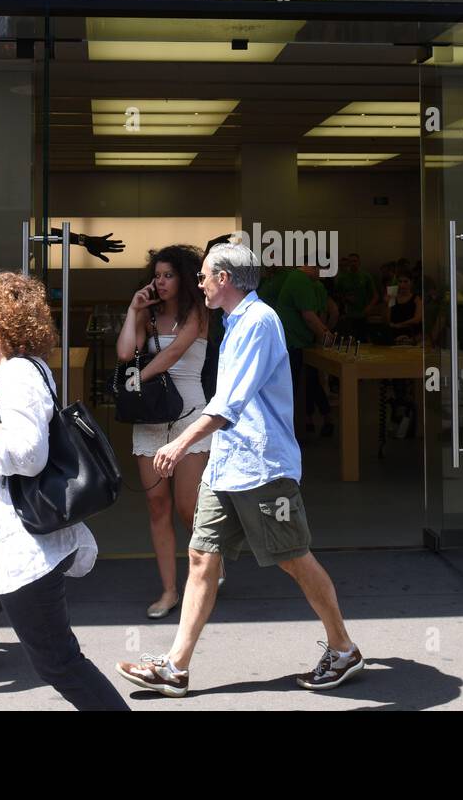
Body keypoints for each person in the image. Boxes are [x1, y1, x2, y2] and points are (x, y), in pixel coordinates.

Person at [115, 242, 364, 696]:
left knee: (293, 557)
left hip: (262, 467)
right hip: (229, 464)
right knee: (200, 555)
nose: (199, 282)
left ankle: (343, 647)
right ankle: (175, 666)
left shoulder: (259, 323)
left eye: (206, 275)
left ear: (225, 279)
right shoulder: (236, 322)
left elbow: (229, 405)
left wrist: (181, 442)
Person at [0, 271, 128, 710]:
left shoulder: (19, 375)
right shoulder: (6, 373)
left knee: (59, 663)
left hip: (17, 549)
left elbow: (27, 456)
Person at [115, 245, 212, 620]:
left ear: (183, 278)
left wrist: (138, 378)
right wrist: (133, 310)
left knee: (189, 507)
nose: (160, 281)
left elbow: (172, 356)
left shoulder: (198, 312)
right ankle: (170, 589)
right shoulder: (149, 315)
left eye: (168, 274)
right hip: (152, 418)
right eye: (157, 275)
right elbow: (126, 353)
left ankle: (208, 564)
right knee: (157, 506)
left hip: (190, 417)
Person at [268, 264, 334, 438]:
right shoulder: (300, 280)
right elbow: (310, 316)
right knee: (296, 387)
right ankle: (289, 431)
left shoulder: (305, 281)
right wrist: (325, 335)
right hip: (293, 344)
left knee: (308, 383)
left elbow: (323, 312)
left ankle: (307, 423)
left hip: (300, 343)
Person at [333, 253, 378, 340]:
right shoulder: (342, 278)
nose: (353, 263)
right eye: (350, 261)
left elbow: (375, 296)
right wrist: (346, 298)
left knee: (362, 340)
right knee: (349, 341)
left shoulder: (366, 276)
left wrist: (369, 307)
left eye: (355, 261)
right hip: (348, 315)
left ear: (359, 262)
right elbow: (335, 294)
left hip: (363, 314)